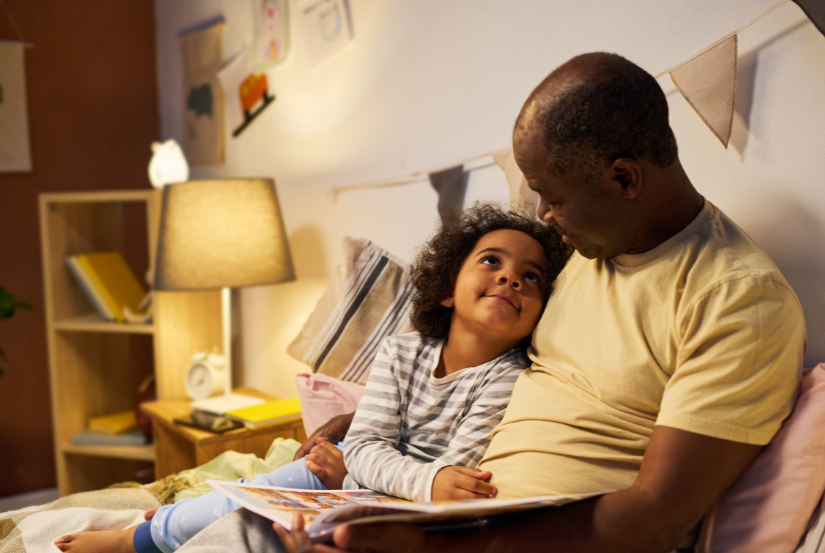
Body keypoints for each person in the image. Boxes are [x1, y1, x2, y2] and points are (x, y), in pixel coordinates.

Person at [265, 52, 806, 553]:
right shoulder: (585, 253)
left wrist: (432, 548)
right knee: (240, 531)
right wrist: (363, 426)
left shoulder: (736, 300)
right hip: (443, 516)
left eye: (555, 196)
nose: (542, 214)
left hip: (497, 541)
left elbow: (656, 515)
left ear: (624, 179)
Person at [54, 203, 570, 553]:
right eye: (492, 261)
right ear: (446, 289)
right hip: (349, 479)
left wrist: (362, 476)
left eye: (531, 277)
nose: (510, 278)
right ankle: (136, 540)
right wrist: (387, 473)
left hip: (389, 506)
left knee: (273, 530)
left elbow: (453, 479)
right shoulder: (401, 351)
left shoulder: (509, 378)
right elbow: (368, 442)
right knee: (241, 495)